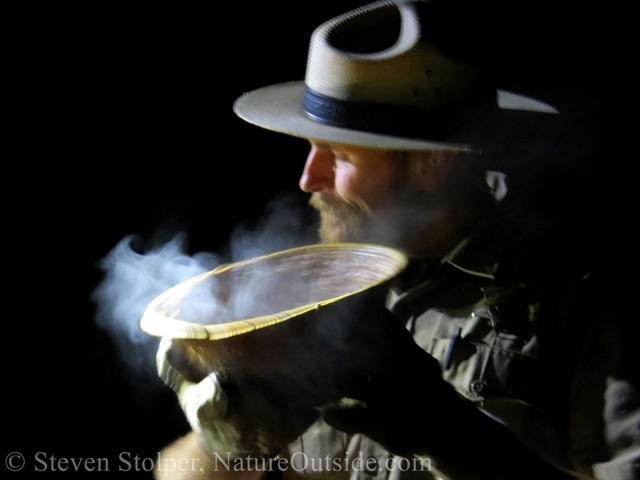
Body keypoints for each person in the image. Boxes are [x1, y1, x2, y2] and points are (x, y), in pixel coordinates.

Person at [154, 1, 637, 479]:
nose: (307, 178)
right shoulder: (311, 288)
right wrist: (224, 439)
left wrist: (447, 431)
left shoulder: (578, 296)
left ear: (431, 163)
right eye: (309, 148)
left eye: (339, 156)